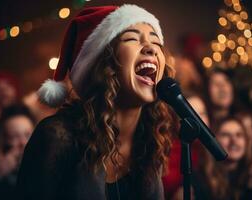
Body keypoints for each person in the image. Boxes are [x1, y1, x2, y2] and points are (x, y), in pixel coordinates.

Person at [17, 4, 176, 200]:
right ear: (104, 64)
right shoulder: (57, 137)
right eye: (133, 38)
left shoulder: (149, 143)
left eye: (156, 42)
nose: (151, 48)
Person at [192, 117, 252, 200]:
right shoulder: (200, 178)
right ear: (214, 141)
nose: (234, 140)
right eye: (226, 135)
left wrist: (251, 186)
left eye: (239, 135)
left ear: (246, 141)